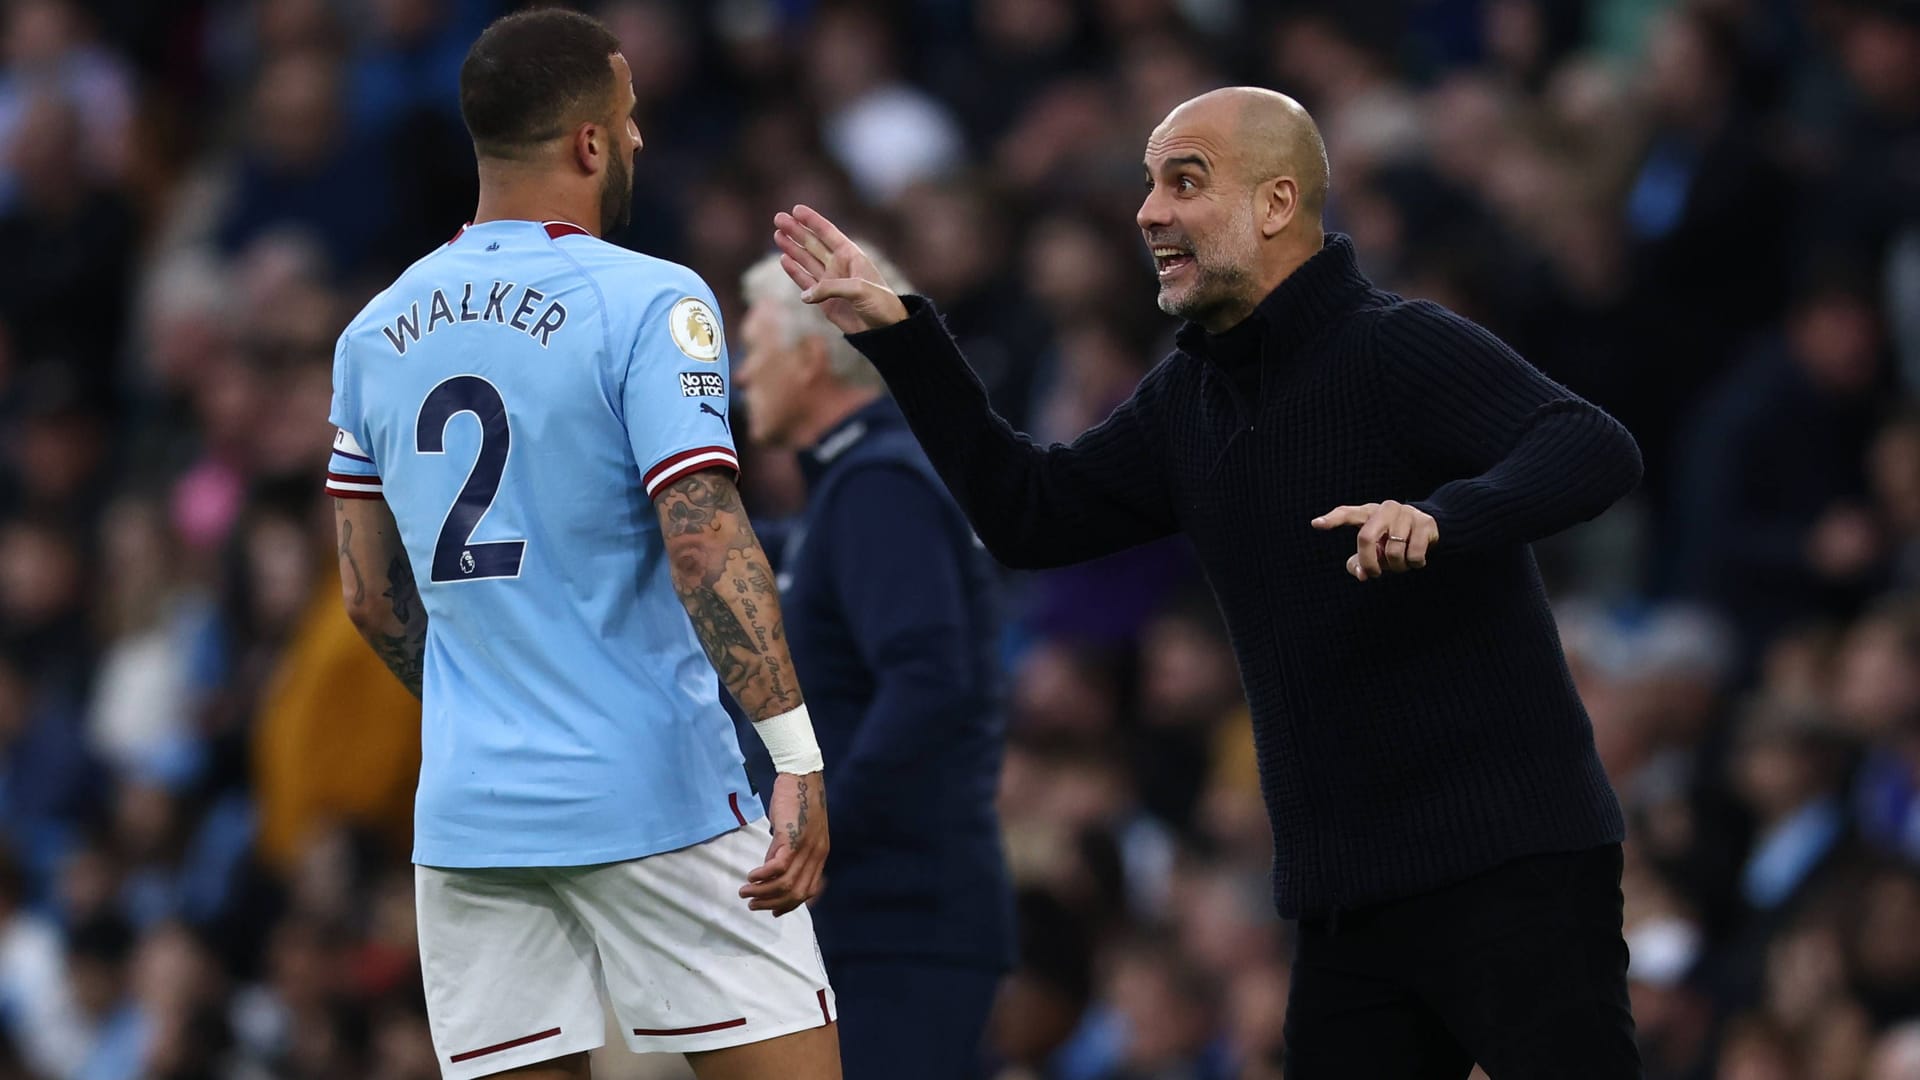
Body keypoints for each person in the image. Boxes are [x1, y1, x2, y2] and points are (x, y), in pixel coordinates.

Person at [775, 87, 1646, 1078]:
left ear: (1276, 204)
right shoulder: (1186, 398)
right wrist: (903, 338)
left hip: (1511, 866)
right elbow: (1030, 512)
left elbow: (1590, 444)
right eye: (1148, 184)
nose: (1149, 211)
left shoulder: (1393, 344)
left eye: (1184, 181)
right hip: (1345, 905)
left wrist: (1446, 517)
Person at [326, 11, 840, 1080]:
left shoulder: (373, 333)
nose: (642, 140)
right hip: (658, 793)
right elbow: (701, 538)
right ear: (591, 143)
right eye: (631, 116)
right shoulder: (648, 299)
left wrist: (500, 707)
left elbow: (370, 597)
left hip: (472, 817)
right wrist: (795, 755)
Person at [734, 250, 1012, 1080]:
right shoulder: (843, 496)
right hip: (875, 917)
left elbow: (929, 682)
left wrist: (817, 826)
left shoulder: (878, 488)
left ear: (810, 357)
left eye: (754, 348)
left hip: (900, 925)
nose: (743, 376)